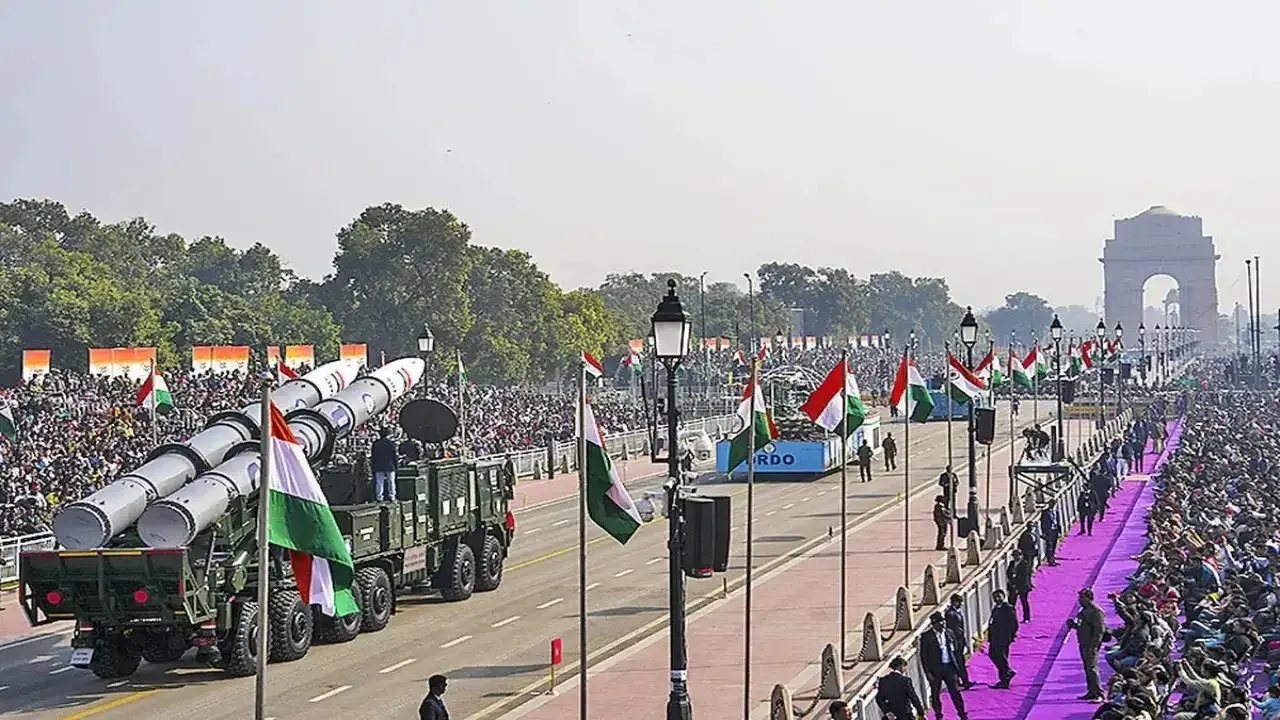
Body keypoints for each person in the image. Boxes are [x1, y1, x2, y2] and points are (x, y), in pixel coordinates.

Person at [919, 612, 969, 720]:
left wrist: (957, 667)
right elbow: (923, 656)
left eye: (943, 622)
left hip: (949, 667)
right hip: (935, 670)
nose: (942, 624)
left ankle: (962, 714)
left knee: (955, 692)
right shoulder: (926, 637)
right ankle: (938, 714)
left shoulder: (949, 633)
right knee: (935, 694)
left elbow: (955, 649)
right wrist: (927, 672)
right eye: (939, 623)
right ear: (933, 624)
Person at [1067, 588, 1106, 702]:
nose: (1080, 600)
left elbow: (1099, 630)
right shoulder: (1084, 610)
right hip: (1083, 642)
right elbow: (1083, 625)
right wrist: (1073, 625)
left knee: (1092, 668)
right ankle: (1091, 691)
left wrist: (1094, 645)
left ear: (1088, 598)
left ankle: (1099, 693)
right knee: (1087, 668)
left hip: (1090, 644)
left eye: (1082, 597)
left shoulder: (1096, 611)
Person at [987, 588, 1018, 689]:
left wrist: (1011, 636)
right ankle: (1005, 675)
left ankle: (1005, 676)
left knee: (1001, 656)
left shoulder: (1008, 608)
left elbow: (1014, 624)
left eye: (999, 596)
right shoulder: (996, 608)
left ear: (1003, 597)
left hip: (1003, 638)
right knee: (993, 655)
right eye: (995, 597)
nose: (996, 599)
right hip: (995, 638)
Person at [944, 594, 976, 689]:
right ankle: (964, 681)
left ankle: (961, 681)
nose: (961, 604)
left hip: (960, 640)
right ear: (955, 602)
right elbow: (952, 630)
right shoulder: (950, 614)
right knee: (959, 662)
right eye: (959, 602)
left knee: (959, 662)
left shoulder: (956, 612)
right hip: (955, 642)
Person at [370, 427, 399, 502]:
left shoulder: (376, 444)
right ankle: (392, 496)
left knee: (379, 482)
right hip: (390, 465)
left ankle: (379, 497)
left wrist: (373, 466)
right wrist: (396, 466)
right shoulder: (391, 444)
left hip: (378, 465)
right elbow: (394, 456)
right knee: (391, 481)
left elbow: (373, 456)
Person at [1006, 549, 1033, 622]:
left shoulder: (1025, 564)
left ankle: (1026, 618)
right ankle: (1012, 618)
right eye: (1014, 555)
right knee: (1011, 602)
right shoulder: (1011, 563)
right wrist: (1012, 583)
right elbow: (1008, 573)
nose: (1016, 557)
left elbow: (1023, 576)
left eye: (1018, 555)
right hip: (1013, 586)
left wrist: (1017, 585)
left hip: (1022, 586)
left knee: (1024, 601)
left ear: (1021, 556)